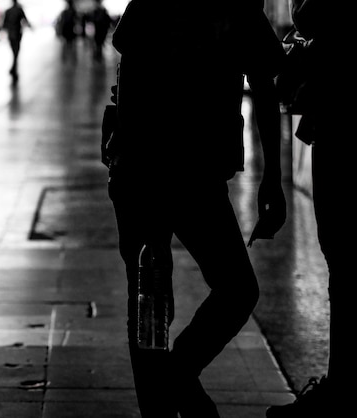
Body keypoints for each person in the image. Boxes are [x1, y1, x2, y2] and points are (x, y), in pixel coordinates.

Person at [103, 1, 286, 417]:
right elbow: (262, 83)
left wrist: (273, 175)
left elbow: (261, 82)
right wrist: (271, 175)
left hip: (166, 171)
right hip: (174, 173)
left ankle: (171, 381)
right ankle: (172, 387)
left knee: (154, 301)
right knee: (179, 297)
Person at [265, 0, 356, 416]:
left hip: (343, 115)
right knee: (340, 256)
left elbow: (318, 15)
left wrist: (303, 52)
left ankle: (341, 390)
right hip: (335, 113)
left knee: (343, 255)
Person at [2, 0, 31, 79]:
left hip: (11, 34)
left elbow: (4, 24)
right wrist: (31, 27)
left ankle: (13, 68)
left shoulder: (8, 11)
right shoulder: (19, 10)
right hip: (17, 34)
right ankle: (13, 69)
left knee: (14, 52)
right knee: (16, 52)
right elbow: (25, 20)